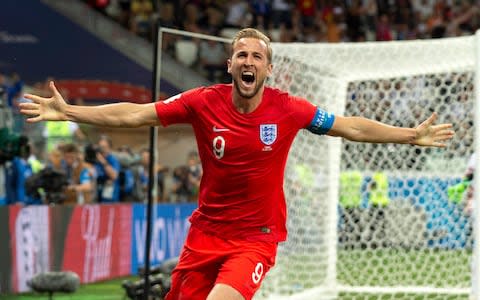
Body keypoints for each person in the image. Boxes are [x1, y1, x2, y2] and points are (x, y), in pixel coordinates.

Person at [20, 28, 454, 300]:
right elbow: (138, 113)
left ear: (268, 68)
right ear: (230, 64)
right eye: (241, 55)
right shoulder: (202, 102)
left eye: (257, 57)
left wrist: (410, 135)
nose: (248, 62)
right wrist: (72, 112)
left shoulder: (290, 109)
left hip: (255, 239)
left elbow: (350, 127)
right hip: (205, 233)